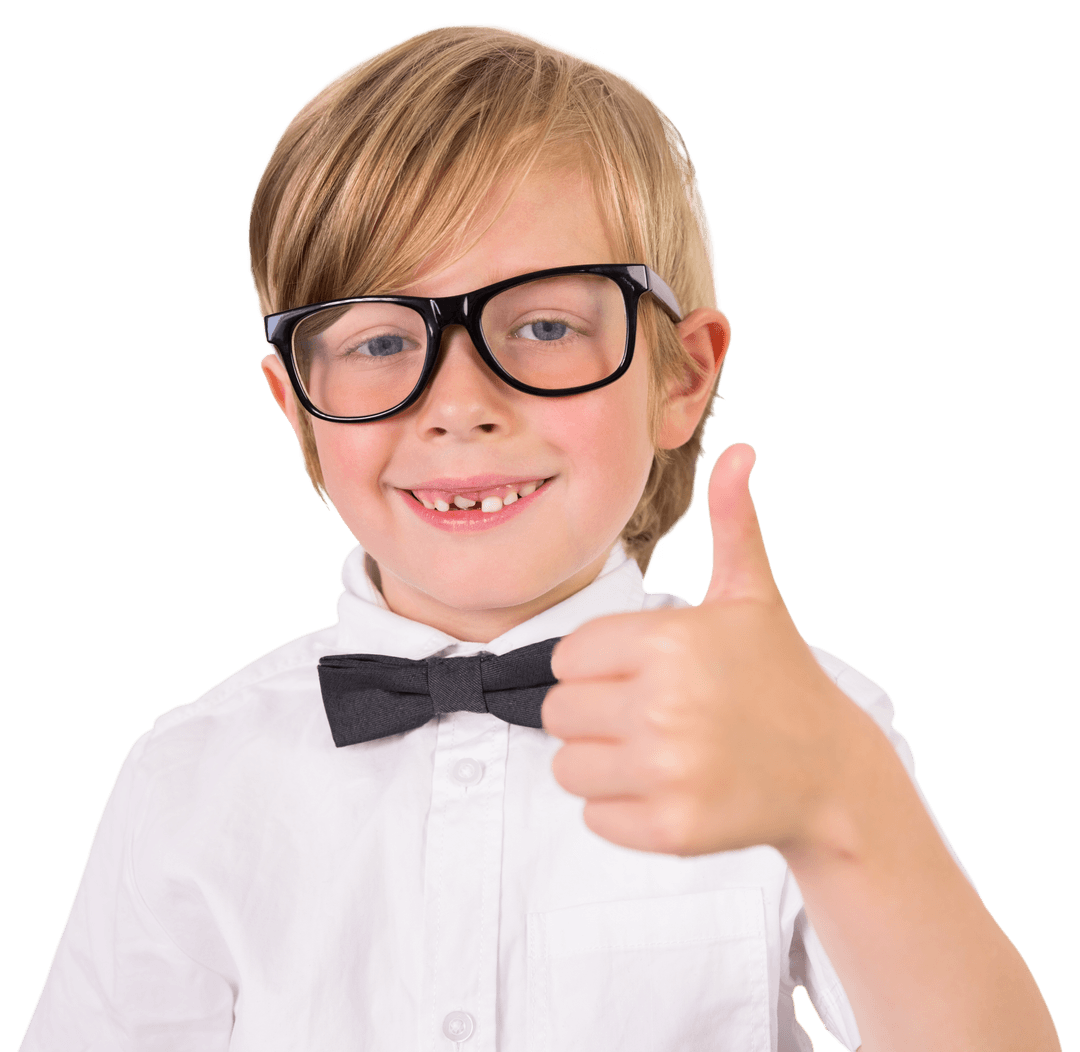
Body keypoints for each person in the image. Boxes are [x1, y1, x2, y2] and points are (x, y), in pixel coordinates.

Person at [20, 23, 1060, 1052]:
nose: (460, 402)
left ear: (683, 377)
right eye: (382, 339)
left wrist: (843, 794)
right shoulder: (192, 774)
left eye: (545, 325)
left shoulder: (789, 721)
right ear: (296, 404)